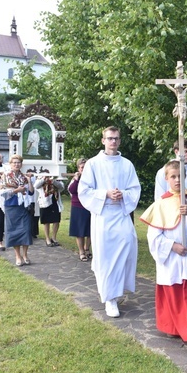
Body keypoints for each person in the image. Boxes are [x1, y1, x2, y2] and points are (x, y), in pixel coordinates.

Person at [140, 159, 187, 355]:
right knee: (175, 295)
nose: (177, 180)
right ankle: (176, 328)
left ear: (185, 177)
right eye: (173, 177)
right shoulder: (161, 204)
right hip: (173, 258)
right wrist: (172, 246)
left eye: (180, 176)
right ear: (166, 179)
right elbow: (153, 236)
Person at [78, 126, 141, 318]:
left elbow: (135, 188)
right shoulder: (93, 164)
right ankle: (109, 298)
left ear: (120, 141)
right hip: (103, 215)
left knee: (128, 249)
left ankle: (116, 290)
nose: (113, 142)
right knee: (106, 257)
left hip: (121, 214)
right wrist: (105, 194)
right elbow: (84, 190)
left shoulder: (127, 164)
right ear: (103, 140)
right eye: (109, 138)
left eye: (116, 138)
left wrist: (123, 194)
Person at [1, 155, 34, 266]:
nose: (16, 164)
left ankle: (25, 254)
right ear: (10, 164)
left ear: (21, 164)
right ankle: (17, 256)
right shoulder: (5, 176)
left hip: (23, 207)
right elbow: (2, 193)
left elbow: (31, 192)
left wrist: (29, 181)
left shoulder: (24, 177)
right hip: (11, 206)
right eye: (14, 162)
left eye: (18, 162)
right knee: (14, 231)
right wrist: (16, 190)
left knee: (26, 230)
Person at [68, 158, 92, 262]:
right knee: (80, 230)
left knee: (90, 229)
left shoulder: (92, 178)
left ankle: (87, 248)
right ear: (78, 168)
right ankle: (81, 251)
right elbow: (72, 190)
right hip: (78, 206)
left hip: (90, 206)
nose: (84, 169)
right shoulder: (75, 178)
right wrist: (77, 179)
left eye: (86, 167)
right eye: (82, 167)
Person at [34, 174, 64, 247]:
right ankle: (47, 239)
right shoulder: (40, 177)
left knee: (56, 220)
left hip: (55, 200)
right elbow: (36, 186)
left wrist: (53, 181)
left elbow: (61, 187)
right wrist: (44, 179)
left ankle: (54, 238)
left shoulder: (57, 176)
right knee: (46, 221)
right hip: (45, 201)